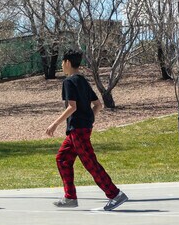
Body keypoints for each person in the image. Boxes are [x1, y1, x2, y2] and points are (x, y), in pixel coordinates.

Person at [46, 49, 128, 211]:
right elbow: (98, 104)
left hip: (77, 129)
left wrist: (54, 124)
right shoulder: (82, 81)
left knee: (90, 163)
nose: (62, 66)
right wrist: (89, 119)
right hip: (80, 130)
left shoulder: (69, 82)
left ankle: (115, 194)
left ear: (67, 62)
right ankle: (70, 197)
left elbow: (72, 107)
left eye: (62, 63)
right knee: (62, 158)